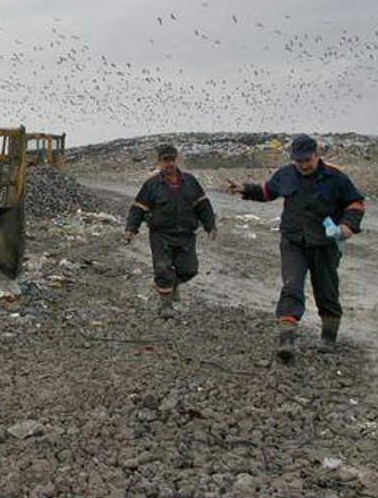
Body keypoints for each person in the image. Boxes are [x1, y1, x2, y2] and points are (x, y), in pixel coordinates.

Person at [226, 134, 365, 362]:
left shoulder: (335, 177)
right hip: (293, 242)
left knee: (327, 291)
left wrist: (348, 225)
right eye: (298, 160)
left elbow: (355, 203)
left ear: (317, 155)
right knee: (291, 288)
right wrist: (244, 189)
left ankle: (328, 336)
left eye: (306, 160)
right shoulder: (286, 174)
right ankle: (287, 340)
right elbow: (267, 191)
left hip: (324, 244)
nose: (302, 165)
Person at [125, 144, 217, 318]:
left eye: (172, 159)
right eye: (166, 160)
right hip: (161, 234)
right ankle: (166, 305)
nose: (170, 163)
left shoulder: (190, 181)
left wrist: (210, 225)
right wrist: (131, 229)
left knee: (189, 270)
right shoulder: (151, 185)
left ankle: (172, 285)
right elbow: (138, 208)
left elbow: (203, 204)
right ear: (159, 162)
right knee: (162, 269)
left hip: (186, 234)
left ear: (177, 160)